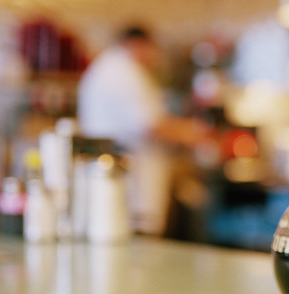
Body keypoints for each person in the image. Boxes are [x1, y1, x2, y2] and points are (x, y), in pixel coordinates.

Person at [77, 26, 211, 236]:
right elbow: (150, 124)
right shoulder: (123, 71)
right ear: (138, 44)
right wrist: (194, 134)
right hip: (130, 179)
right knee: (135, 241)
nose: (154, 57)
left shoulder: (110, 67)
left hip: (119, 174)